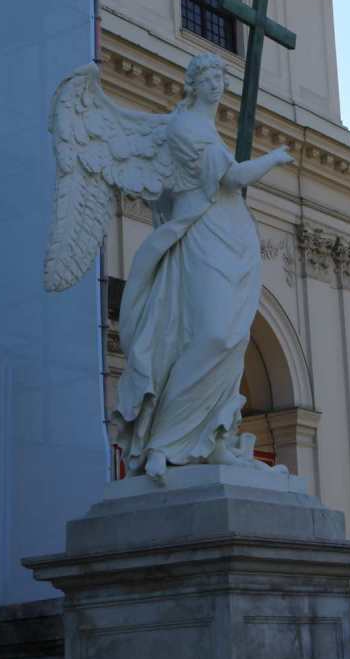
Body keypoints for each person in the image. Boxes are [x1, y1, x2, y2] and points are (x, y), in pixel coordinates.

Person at [109, 52, 293, 482]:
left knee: (230, 340)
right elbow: (231, 179)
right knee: (210, 333)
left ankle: (212, 438)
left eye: (220, 76)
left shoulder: (205, 128)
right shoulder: (186, 127)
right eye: (208, 75)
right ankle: (164, 441)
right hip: (201, 234)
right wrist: (274, 158)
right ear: (192, 82)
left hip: (231, 238)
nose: (216, 83)